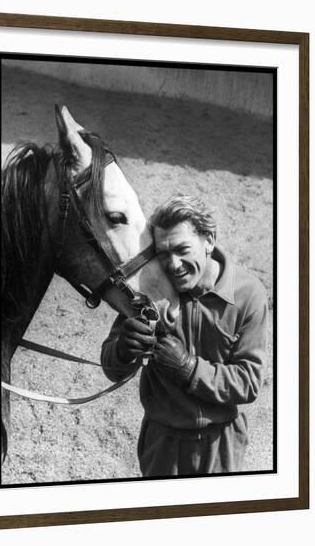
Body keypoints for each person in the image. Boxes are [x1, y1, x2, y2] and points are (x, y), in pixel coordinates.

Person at [101, 195, 269, 476]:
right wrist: (122, 349)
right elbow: (111, 368)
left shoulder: (248, 294)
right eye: (163, 253)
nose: (173, 264)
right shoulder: (150, 288)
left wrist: (190, 369)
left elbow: (249, 383)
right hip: (163, 444)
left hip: (222, 444)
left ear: (209, 240)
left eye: (182, 249)